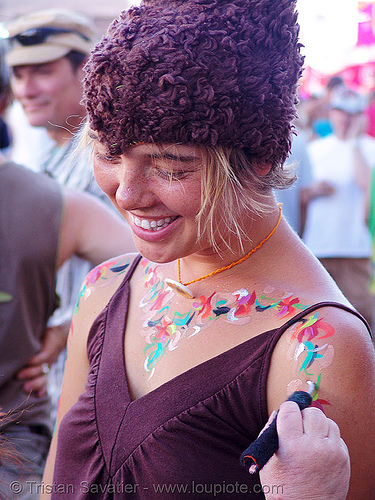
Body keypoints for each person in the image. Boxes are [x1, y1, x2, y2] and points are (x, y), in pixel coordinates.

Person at [42, 1, 375, 499]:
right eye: (110, 153)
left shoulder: (319, 348)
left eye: (171, 167)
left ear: (259, 159)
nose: (127, 194)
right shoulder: (106, 287)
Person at [0, 156, 135, 498]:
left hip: (14, 439)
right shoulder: (55, 201)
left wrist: (71, 333)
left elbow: (163, 263)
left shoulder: (55, 203)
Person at [5, 9, 111, 413]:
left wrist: (68, 328)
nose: (26, 89)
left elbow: (149, 269)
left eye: (42, 72)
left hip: (97, 385)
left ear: (86, 71)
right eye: (18, 75)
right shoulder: (52, 161)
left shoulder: (108, 159)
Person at [303, 85, 375, 328]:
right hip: (318, 247)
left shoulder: (369, 147)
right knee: (320, 320)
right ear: (331, 113)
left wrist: (354, 143)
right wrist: (314, 191)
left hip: (356, 248)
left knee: (361, 317)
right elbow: (296, 196)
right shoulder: (314, 149)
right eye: (340, 111)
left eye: (352, 113)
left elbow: (367, 185)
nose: (345, 118)